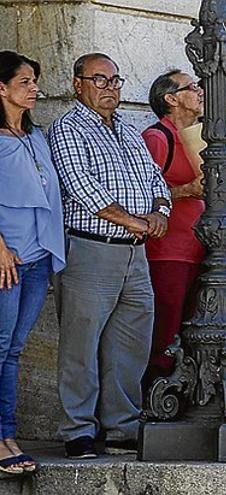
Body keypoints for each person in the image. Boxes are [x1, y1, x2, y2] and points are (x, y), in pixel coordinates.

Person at [49, 53, 171, 458]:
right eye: (99, 80)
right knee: (80, 345)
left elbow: (156, 179)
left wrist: (159, 211)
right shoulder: (67, 129)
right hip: (91, 249)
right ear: (77, 84)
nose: (109, 88)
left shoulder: (129, 130)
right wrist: (136, 221)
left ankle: (122, 427)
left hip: (135, 255)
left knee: (131, 342)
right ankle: (78, 430)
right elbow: (82, 189)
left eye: (115, 80)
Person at [0, 50, 65, 473]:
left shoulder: (35, 134)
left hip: (38, 258)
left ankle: (7, 434)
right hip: (8, 257)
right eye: (24, 81)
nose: (33, 88)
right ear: (1, 88)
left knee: (14, 349)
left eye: (35, 80)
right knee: (0, 346)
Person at [141, 70, 205, 385]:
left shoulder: (196, 136)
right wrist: (186, 190)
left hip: (197, 249)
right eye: (192, 87)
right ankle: (155, 395)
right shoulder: (158, 137)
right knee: (164, 330)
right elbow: (143, 191)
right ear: (171, 99)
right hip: (167, 251)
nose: (200, 92)